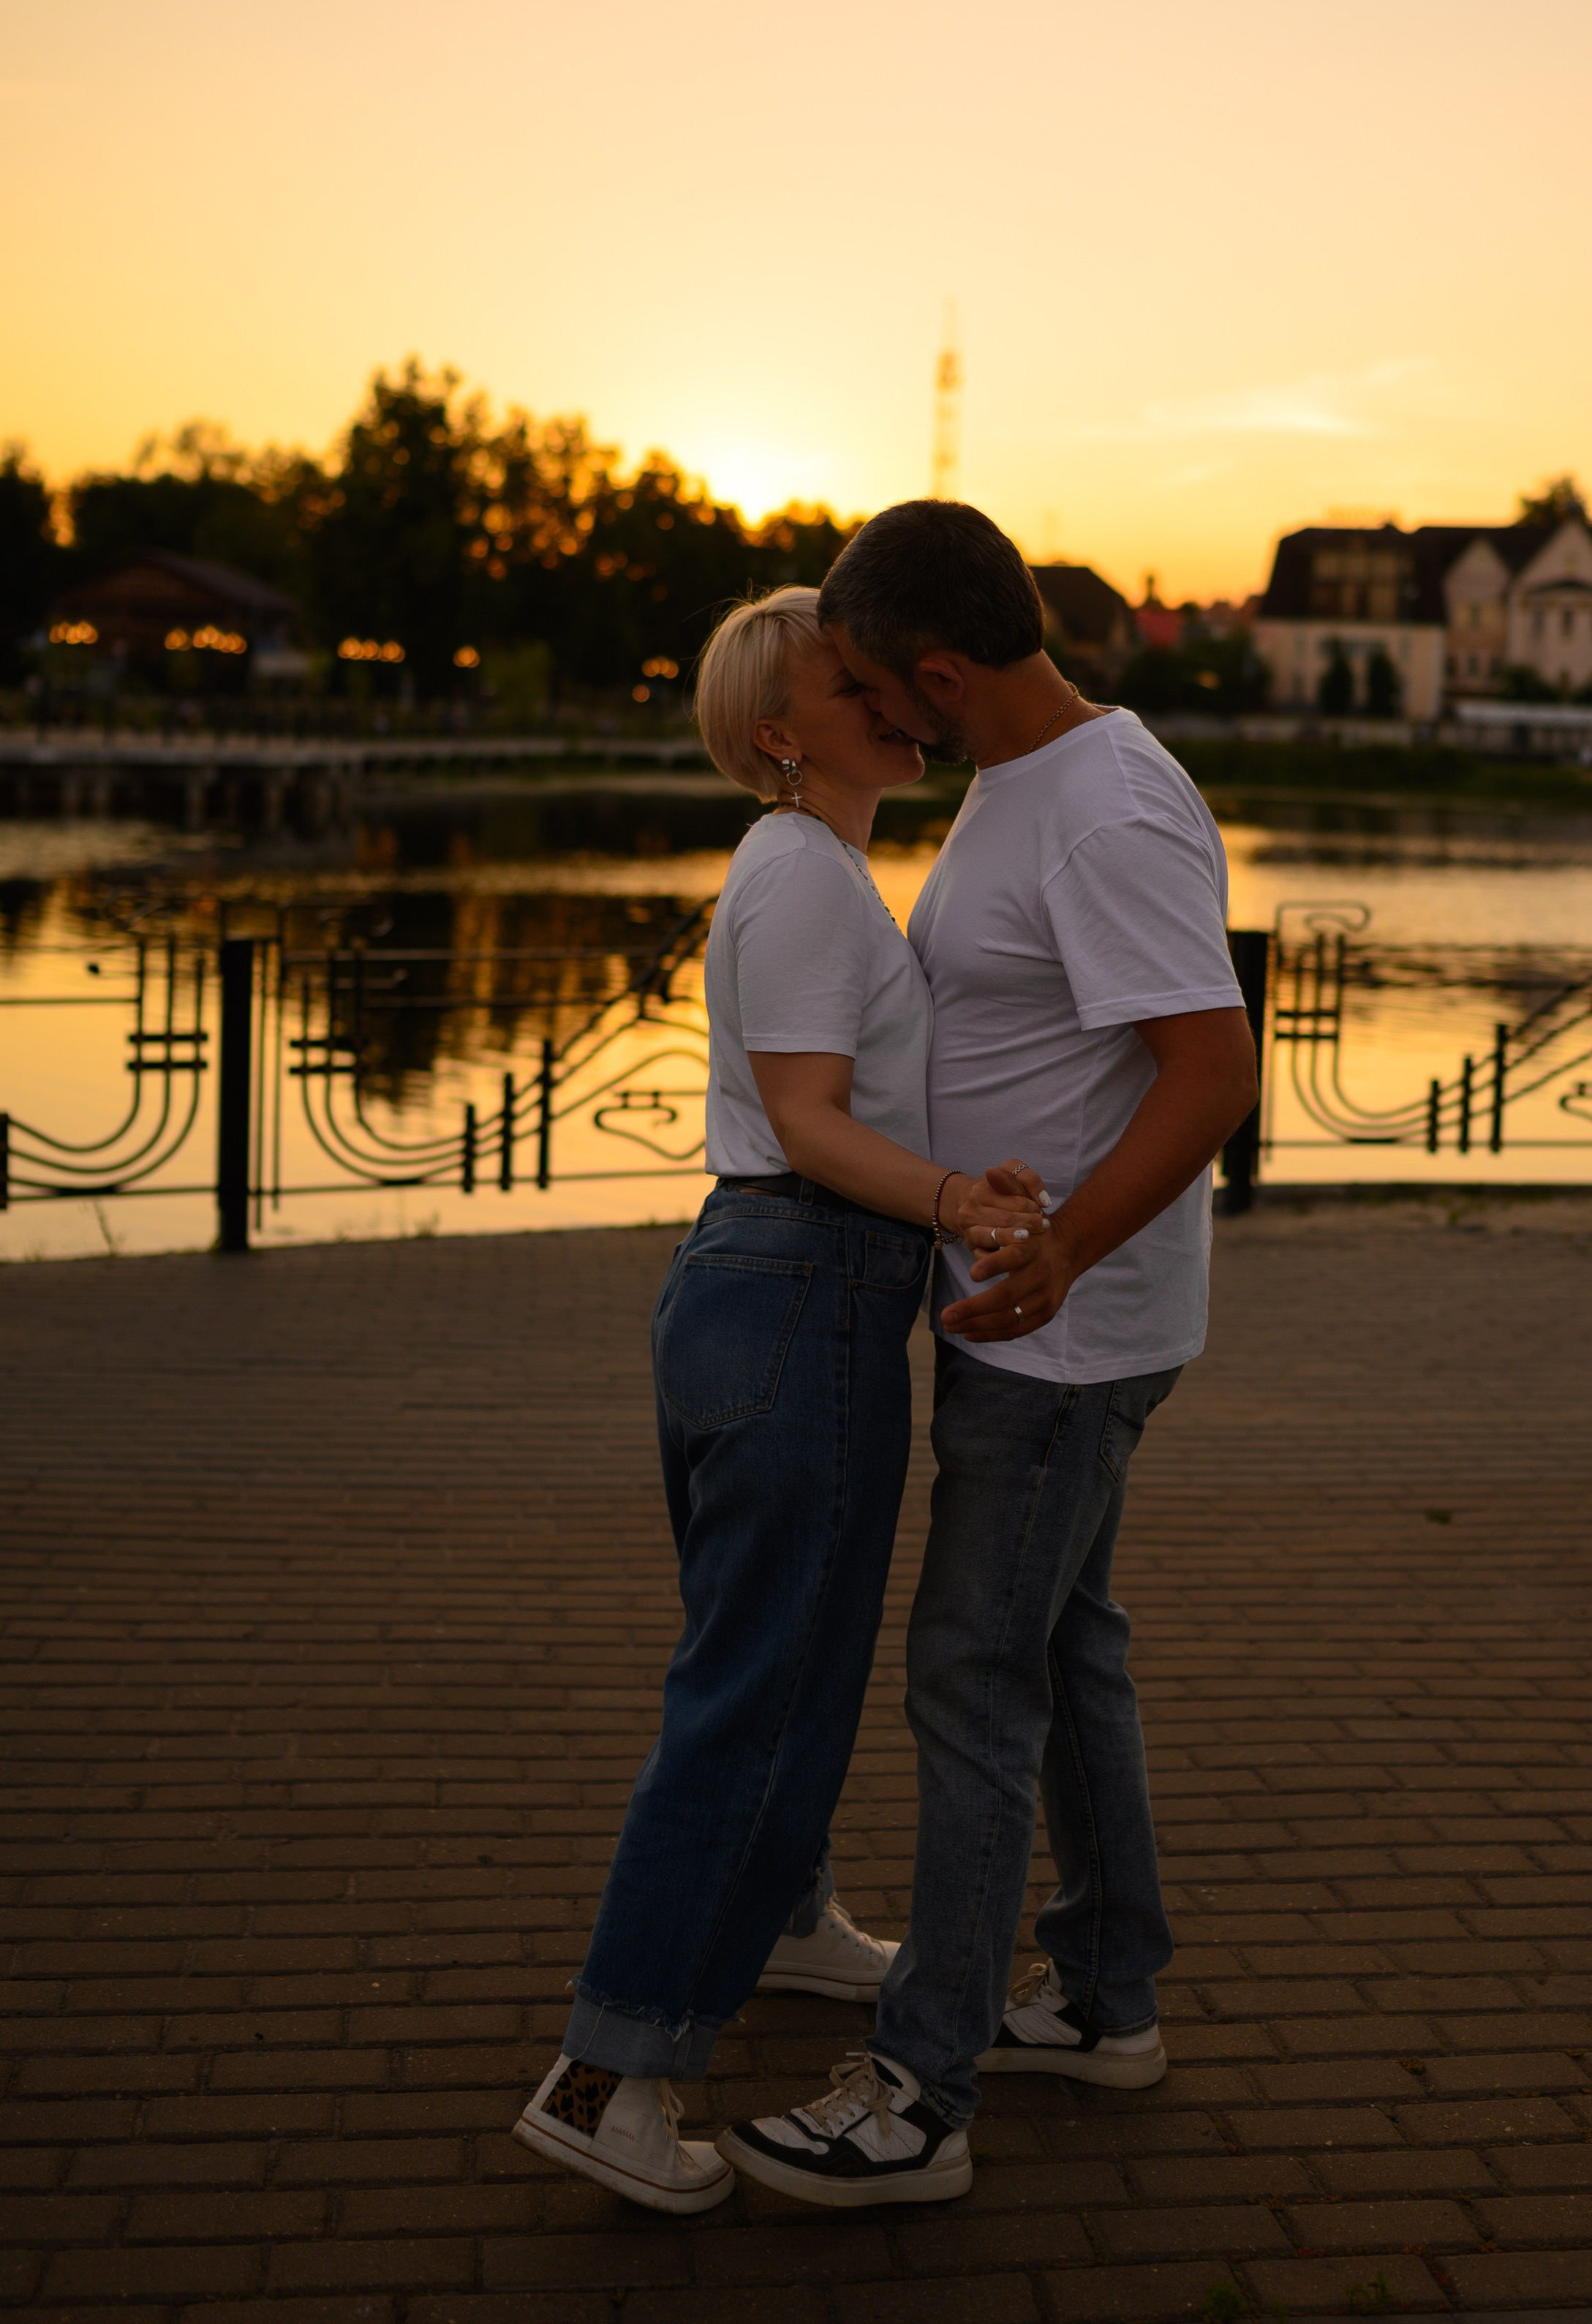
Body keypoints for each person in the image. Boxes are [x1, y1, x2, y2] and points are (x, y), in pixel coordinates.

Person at [717, 506, 1257, 2207]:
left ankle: (919, 2094)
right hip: (1041, 1316)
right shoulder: (1022, 779)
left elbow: (1214, 1069)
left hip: (1056, 1336)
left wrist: (1062, 1250)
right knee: (1063, 1646)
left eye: (874, 686)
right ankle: (1102, 1995)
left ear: (940, 673)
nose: (872, 713)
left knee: (972, 1676)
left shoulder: (1098, 810)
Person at [514, 584, 1044, 2215]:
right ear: (777, 732)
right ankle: (605, 2074)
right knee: (759, 1694)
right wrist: (956, 1201)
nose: (889, 698)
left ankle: (791, 1915)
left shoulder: (800, 866)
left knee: (761, 1661)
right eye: (848, 681)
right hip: (805, 1286)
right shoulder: (806, 873)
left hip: (765, 1288)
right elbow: (809, 1119)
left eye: (883, 674)